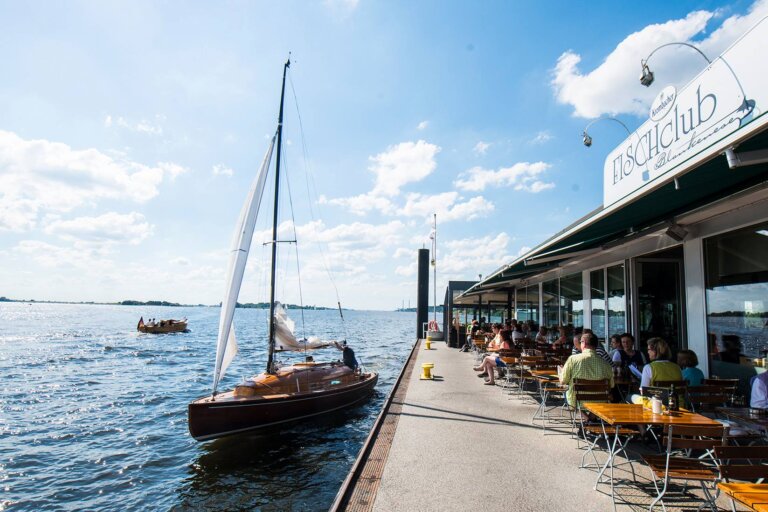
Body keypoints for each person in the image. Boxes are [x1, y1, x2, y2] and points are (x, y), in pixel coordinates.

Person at [559, 331, 614, 406]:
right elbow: (611, 385)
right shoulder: (607, 365)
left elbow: (563, 381)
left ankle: (586, 417)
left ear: (584, 343)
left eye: (580, 342)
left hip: (577, 402)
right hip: (600, 402)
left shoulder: (573, 359)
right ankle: (591, 417)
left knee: (567, 393)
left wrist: (561, 372)